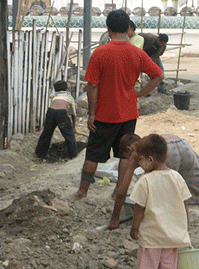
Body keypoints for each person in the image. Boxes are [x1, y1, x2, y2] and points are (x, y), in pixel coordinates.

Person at [109, 133, 199, 260]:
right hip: (183, 146)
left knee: (161, 202)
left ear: (128, 150)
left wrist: (115, 219)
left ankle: (166, 249)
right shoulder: (151, 142)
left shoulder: (137, 153)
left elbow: (122, 191)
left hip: (167, 155)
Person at [71, 9, 164, 200]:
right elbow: (159, 75)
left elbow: (92, 85)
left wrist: (91, 114)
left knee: (93, 155)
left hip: (104, 114)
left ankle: (82, 192)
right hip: (129, 112)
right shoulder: (137, 53)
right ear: (128, 28)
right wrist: (139, 93)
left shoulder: (100, 53)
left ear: (108, 28)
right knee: (126, 155)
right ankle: (118, 193)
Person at [129, 134, 191, 269]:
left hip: (152, 234)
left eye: (140, 160)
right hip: (172, 233)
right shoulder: (177, 177)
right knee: (169, 265)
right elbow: (184, 202)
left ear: (150, 159)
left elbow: (139, 208)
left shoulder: (145, 181)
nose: (139, 163)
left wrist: (134, 228)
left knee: (147, 265)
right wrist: (186, 224)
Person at [35, 80, 77, 159]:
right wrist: (74, 128)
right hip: (61, 114)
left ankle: (39, 154)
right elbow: (73, 115)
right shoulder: (69, 97)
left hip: (50, 112)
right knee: (69, 135)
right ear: (67, 90)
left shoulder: (55, 96)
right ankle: (73, 156)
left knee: (46, 133)